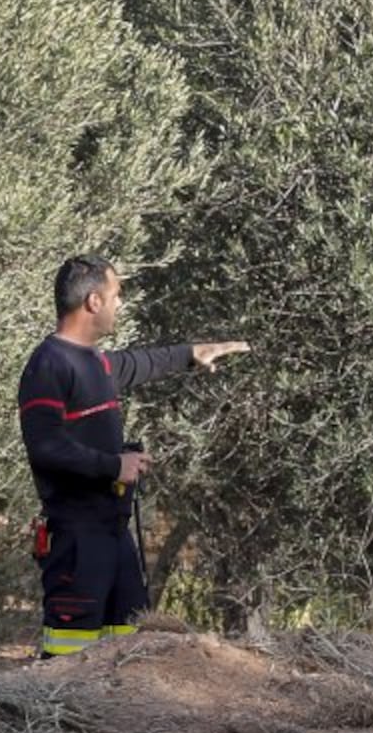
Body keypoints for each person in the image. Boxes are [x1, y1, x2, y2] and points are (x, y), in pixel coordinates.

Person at [18, 254, 248, 656]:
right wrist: (114, 465)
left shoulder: (96, 363)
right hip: (77, 540)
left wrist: (193, 352)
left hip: (113, 534)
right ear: (93, 302)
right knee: (69, 661)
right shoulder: (47, 365)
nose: (120, 304)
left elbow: (138, 363)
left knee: (128, 655)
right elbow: (46, 446)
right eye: (116, 294)